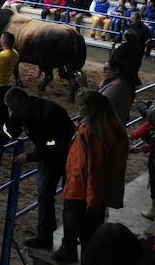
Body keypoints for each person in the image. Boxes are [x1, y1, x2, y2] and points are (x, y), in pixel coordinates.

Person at [53, 90, 129, 263]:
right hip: (92, 188)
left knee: (78, 223)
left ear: (92, 108)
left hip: (82, 188)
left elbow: (94, 168)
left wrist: (92, 198)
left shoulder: (93, 131)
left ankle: (71, 251)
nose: (78, 109)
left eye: (81, 106)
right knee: (92, 228)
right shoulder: (112, 126)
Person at [3, 87, 76, 250]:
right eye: (10, 109)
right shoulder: (20, 112)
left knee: (71, 199)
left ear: (24, 102)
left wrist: (29, 156)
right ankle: (45, 236)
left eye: (14, 109)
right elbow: (9, 131)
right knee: (44, 194)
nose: (12, 113)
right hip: (47, 156)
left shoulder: (51, 113)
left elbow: (55, 144)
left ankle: (69, 243)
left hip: (69, 156)